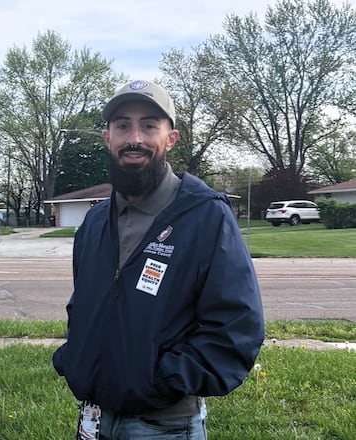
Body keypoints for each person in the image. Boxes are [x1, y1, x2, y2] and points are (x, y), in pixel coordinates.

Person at [52, 79, 264, 439]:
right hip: (94, 418)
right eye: (122, 126)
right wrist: (75, 358)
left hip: (164, 425)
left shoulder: (205, 216)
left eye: (149, 125)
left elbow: (236, 325)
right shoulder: (94, 222)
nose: (134, 137)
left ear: (171, 138)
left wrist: (163, 378)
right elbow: (84, 306)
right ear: (108, 138)